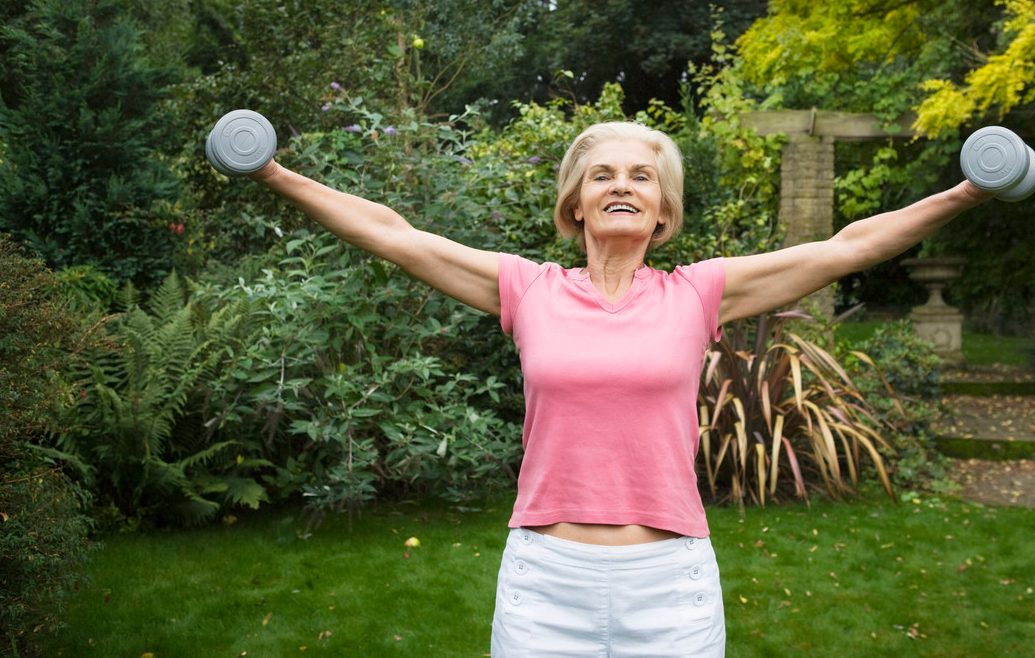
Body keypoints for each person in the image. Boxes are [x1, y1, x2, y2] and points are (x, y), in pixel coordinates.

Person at [247, 121, 992, 656]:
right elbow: (393, 234)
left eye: (641, 176)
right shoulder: (527, 289)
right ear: (575, 205)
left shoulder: (698, 293)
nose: (622, 186)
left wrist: (963, 191)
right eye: (603, 175)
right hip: (546, 580)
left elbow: (846, 248)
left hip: (667, 582)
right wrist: (273, 174)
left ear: (663, 212)